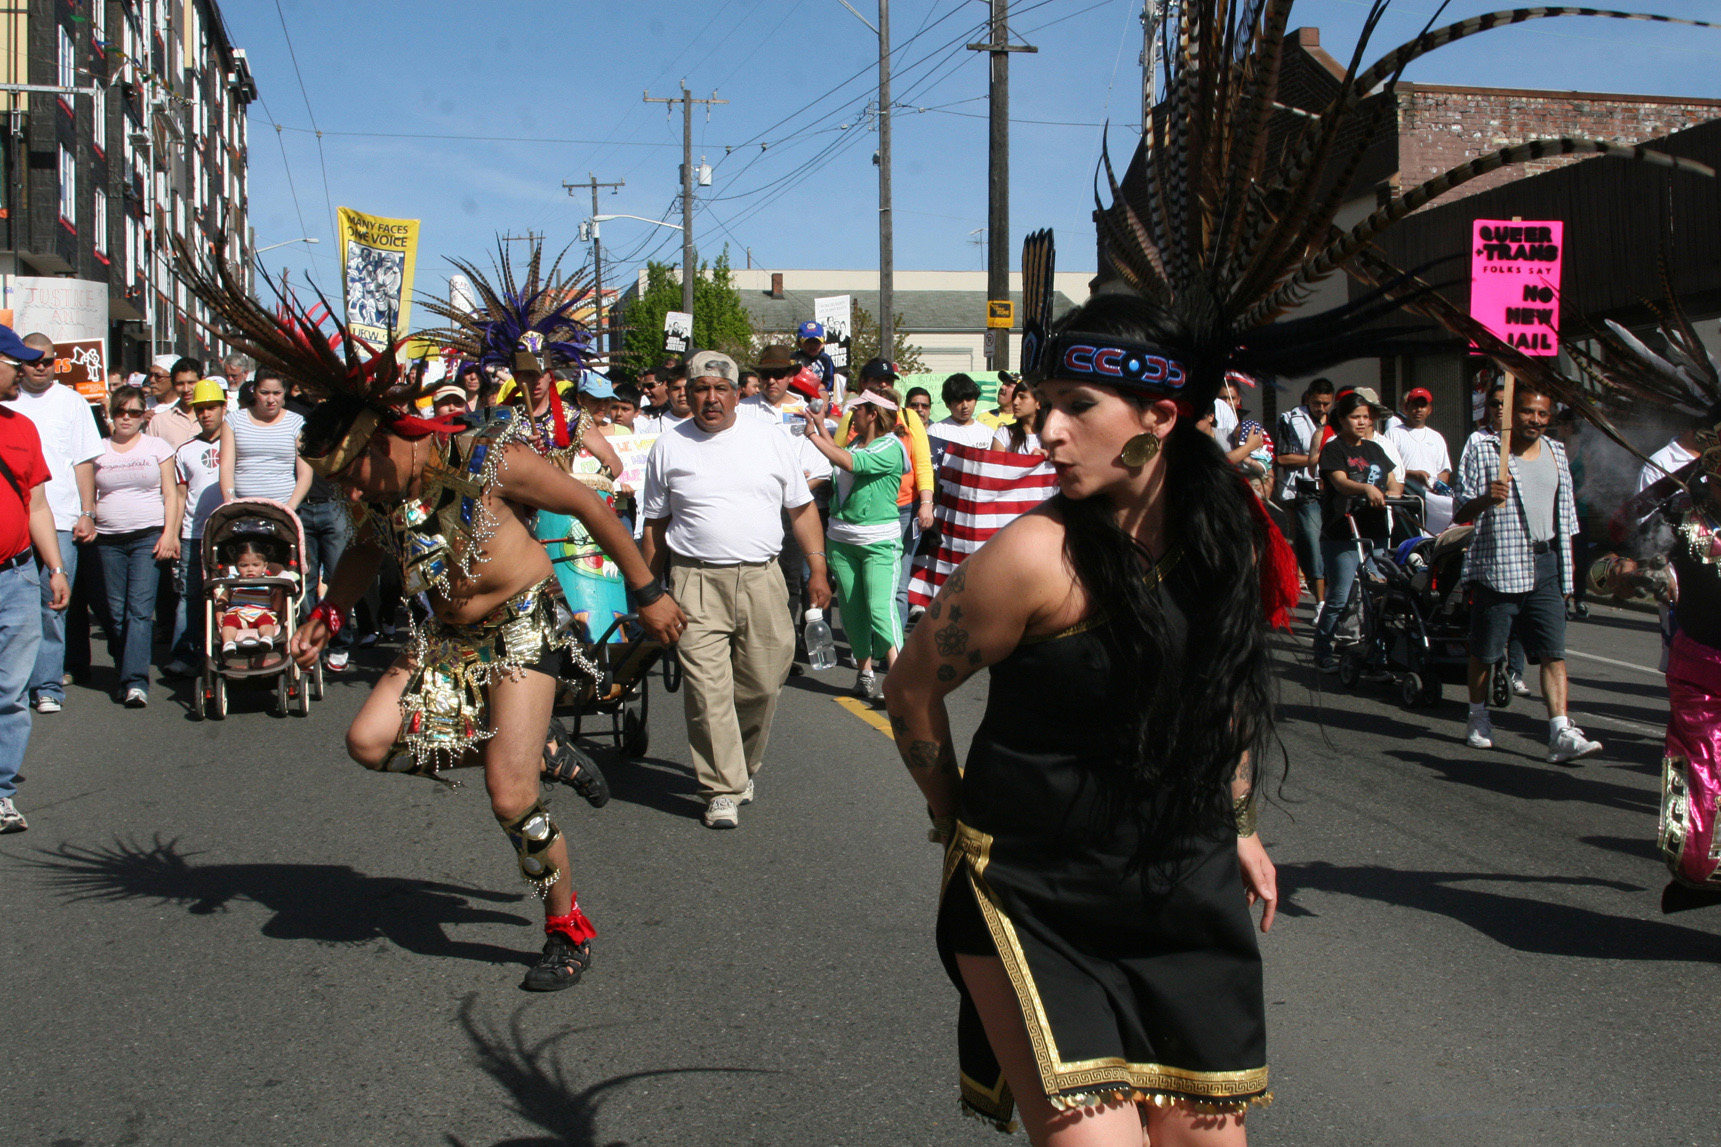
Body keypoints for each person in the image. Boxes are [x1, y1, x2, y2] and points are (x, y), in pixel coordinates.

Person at [884, 294, 1279, 1140]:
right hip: (1035, 896)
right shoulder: (1032, 556)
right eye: (1044, 403)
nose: (1047, 430)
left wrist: (1240, 824)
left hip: (1181, 885)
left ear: (1159, 415)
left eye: (1076, 406)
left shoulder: (1224, 538)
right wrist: (955, 823)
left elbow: (1229, 693)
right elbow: (911, 686)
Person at [639, 350, 832, 829]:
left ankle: (741, 767)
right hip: (693, 580)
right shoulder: (669, 445)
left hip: (763, 580)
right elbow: (655, 526)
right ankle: (721, 788)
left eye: (719, 389)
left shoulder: (770, 439)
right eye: (700, 389)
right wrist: (647, 591)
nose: (710, 399)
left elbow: (802, 510)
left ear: (734, 392)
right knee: (707, 691)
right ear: (689, 392)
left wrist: (818, 570)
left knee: (763, 684)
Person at [1452, 381, 1601, 762]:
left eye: (1542, 414)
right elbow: (1460, 512)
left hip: (1545, 562)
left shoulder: (1555, 451)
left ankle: (1560, 731)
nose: (1535, 420)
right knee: (1486, 651)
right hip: (1499, 564)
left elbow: (1565, 520)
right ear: (1509, 414)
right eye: (1527, 412)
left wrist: (1567, 578)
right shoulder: (1483, 448)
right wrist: (1488, 497)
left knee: (1553, 651)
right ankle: (1477, 716)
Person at [3, 332, 99, 714]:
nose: (40, 367)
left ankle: (46, 685)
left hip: (57, 519)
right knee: (21, 617)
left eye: (46, 361)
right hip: (14, 529)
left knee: (50, 608)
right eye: (29, 362)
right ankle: (16, 685)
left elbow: (83, 461)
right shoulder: (12, 404)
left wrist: (87, 512)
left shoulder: (70, 402)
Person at [0, 328, 71, 834]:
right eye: (16, 362)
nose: (25, 370)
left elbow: (37, 505)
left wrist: (56, 567)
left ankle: (0, 793)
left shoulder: (22, 427)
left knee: (10, 692)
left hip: (17, 576)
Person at [804, 387, 909, 700]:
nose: (852, 415)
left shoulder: (890, 446)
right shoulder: (854, 442)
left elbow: (851, 463)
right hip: (842, 541)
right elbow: (844, 458)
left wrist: (813, 435)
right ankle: (864, 675)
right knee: (852, 613)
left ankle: (901, 680)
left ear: (873, 414)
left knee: (880, 609)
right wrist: (821, 426)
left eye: (858, 410)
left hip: (879, 543)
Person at [91, 385, 179, 706]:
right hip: (107, 539)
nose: (126, 418)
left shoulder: (157, 446)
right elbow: (89, 494)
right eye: (120, 411)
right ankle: (125, 664)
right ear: (110, 414)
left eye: (134, 412)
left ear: (144, 415)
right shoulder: (97, 448)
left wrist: (170, 534)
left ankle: (135, 681)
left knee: (139, 611)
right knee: (115, 614)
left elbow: (171, 493)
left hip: (148, 536)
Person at [1312, 389, 1402, 671]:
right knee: (1340, 596)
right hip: (1342, 531)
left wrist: (1393, 492)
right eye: (1355, 417)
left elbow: (1392, 480)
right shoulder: (1334, 449)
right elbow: (1339, 482)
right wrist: (1365, 487)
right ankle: (1323, 650)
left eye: (1366, 417)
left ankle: (1375, 649)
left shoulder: (1375, 449)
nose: (1362, 422)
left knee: (1376, 595)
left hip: (1374, 530)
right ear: (1342, 418)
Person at [164, 380, 228, 677]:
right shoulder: (185, 450)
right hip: (193, 534)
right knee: (189, 596)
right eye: (200, 409)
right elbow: (178, 495)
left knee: (231, 594)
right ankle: (185, 654)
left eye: (211, 408)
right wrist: (173, 534)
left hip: (229, 533)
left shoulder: (236, 443)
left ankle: (230, 649)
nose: (205, 414)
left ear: (224, 407)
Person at [221, 371, 310, 508]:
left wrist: (289, 509)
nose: (271, 400)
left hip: (284, 508)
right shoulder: (233, 421)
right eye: (264, 393)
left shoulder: (296, 422)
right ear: (255, 392)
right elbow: (226, 467)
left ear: (284, 392)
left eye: (276, 393)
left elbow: (305, 473)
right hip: (243, 508)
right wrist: (230, 501)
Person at [214, 541, 288, 653]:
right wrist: (219, 610)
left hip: (261, 613)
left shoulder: (269, 583)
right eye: (244, 565)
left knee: (267, 622)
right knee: (228, 622)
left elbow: (277, 608)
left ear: (264, 566)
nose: (250, 569)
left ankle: (267, 638)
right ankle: (228, 643)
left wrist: (278, 592)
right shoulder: (233, 581)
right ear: (236, 567)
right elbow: (223, 597)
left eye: (255, 565)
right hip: (237, 613)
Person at [1388, 387, 1452, 495]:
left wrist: (1437, 487)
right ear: (1406, 407)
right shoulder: (1393, 434)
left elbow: (1443, 471)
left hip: (1431, 498)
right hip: (1404, 497)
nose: (1419, 410)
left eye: (1423, 406)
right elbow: (1387, 469)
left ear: (1429, 410)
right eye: (1415, 405)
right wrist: (1411, 474)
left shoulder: (1436, 437)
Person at [925, 373, 996, 459]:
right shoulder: (936, 432)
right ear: (947, 404)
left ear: (976, 401)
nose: (965, 406)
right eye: (959, 401)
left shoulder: (989, 433)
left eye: (969, 399)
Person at [146, 357, 201, 451]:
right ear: (173, 384)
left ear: (202, 380)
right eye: (180, 384)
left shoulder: (216, 418)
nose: (186, 389)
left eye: (191, 383)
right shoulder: (159, 421)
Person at [991, 381, 1043, 455]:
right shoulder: (1004, 433)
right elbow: (995, 465)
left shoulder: (1053, 435)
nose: (1015, 402)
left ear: (1038, 403)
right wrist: (1031, 460)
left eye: (1022, 397)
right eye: (1014, 397)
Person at [794, 320, 839, 397]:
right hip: (798, 394)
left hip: (820, 393)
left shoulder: (825, 359)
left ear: (823, 344)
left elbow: (829, 381)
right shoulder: (795, 358)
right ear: (799, 344)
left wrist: (819, 390)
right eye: (808, 342)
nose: (812, 345)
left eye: (816, 342)